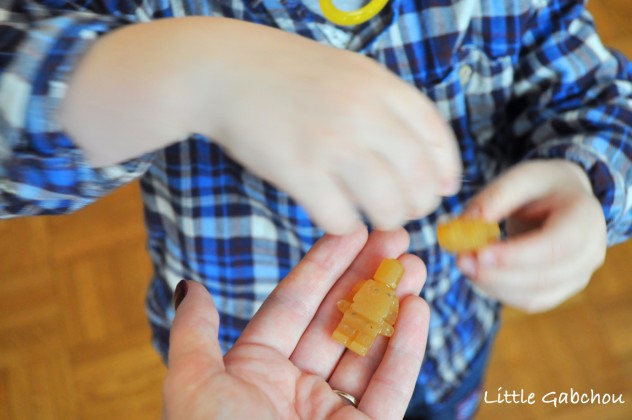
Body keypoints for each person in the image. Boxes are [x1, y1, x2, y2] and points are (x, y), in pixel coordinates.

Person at [1, 0, 630, 418]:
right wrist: (191, 73)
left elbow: (602, 99)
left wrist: (586, 185)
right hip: (244, 370)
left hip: (449, 351)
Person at [164, 228, 430, 419]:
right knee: (348, 333)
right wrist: (346, 307)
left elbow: (390, 319)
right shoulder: (367, 284)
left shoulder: (390, 298)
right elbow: (354, 298)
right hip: (351, 319)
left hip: (370, 329)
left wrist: (383, 327)